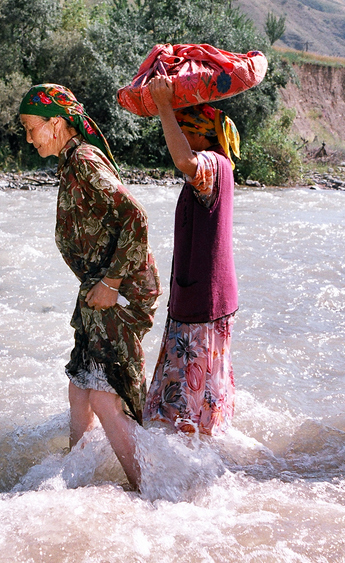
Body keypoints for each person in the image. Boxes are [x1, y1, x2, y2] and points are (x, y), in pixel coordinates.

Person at [19, 84, 160, 488]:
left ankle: (152, 491)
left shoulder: (82, 160)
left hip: (119, 291)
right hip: (98, 290)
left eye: (31, 128)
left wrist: (112, 282)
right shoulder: (70, 162)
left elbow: (136, 216)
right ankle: (75, 485)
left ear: (56, 123)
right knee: (80, 388)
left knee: (104, 396)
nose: (28, 138)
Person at [143, 75, 239, 436]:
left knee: (189, 401)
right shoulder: (218, 167)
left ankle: (191, 456)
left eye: (185, 131)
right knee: (199, 395)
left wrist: (164, 106)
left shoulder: (212, 164)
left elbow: (184, 159)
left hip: (203, 304)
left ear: (200, 136)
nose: (180, 138)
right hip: (201, 298)